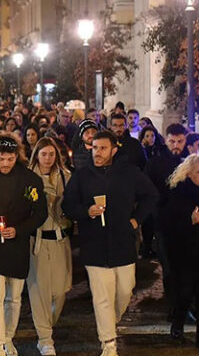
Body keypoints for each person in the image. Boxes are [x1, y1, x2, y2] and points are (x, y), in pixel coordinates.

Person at [63, 131, 158, 356]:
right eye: (94, 148)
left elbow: (151, 195)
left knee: (125, 290)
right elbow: (67, 205)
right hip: (94, 244)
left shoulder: (129, 173)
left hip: (123, 242)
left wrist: (135, 220)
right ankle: (108, 342)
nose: (97, 152)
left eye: (103, 148)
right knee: (102, 296)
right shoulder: (82, 175)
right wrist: (86, 211)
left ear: (114, 150)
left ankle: (110, 321)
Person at [0, 134, 47, 356]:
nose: (5, 163)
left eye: (9, 158)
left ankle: (8, 338)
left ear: (17, 156)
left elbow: (40, 214)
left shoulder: (30, 179)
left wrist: (19, 229)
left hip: (16, 245)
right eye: (1, 158)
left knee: (14, 297)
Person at [163, 154, 199, 352]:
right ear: (189, 173)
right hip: (184, 252)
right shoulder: (179, 192)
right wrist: (191, 219)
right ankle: (178, 323)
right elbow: (168, 224)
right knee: (185, 292)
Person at [26, 137, 72, 356]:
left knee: (60, 290)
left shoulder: (65, 176)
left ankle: (47, 326)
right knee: (39, 292)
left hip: (60, 238)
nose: (47, 158)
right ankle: (45, 339)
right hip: (37, 240)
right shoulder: (27, 178)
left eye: (51, 154)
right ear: (37, 155)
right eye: (43, 154)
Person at [144, 122, 188, 320]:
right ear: (166, 140)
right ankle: (173, 305)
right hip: (164, 223)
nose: (176, 145)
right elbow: (147, 191)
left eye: (180, 141)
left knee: (185, 266)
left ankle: (185, 303)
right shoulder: (155, 162)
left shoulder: (190, 161)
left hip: (188, 224)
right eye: (172, 141)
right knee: (169, 267)